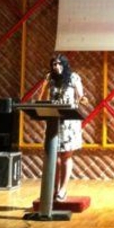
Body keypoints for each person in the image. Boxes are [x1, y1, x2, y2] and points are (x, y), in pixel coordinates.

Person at [39, 53, 87, 201]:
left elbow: (81, 96)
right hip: (54, 120)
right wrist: (41, 103)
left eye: (60, 64)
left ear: (65, 65)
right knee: (54, 156)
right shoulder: (49, 78)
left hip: (69, 122)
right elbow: (42, 96)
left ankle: (63, 189)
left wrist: (82, 99)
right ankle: (54, 188)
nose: (57, 66)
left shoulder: (73, 78)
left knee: (66, 155)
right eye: (54, 64)